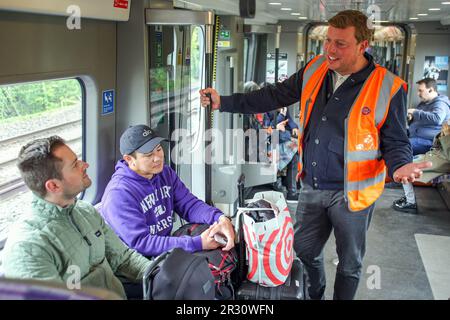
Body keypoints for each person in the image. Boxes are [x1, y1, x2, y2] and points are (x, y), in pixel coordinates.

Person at [200, 10, 432, 300]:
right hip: (312, 185)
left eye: (340, 44)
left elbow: (396, 140)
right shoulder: (315, 69)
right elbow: (273, 95)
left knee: (350, 264)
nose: (330, 50)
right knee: (305, 253)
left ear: (363, 46)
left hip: (353, 196)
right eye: (328, 41)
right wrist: (225, 102)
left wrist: (400, 166)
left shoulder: (388, 87)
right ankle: (315, 296)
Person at [2, 136, 151, 300]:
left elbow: (124, 259)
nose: (85, 165)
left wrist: (159, 275)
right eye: (75, 165)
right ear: (54, 186)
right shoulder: (29, 248)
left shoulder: (85, 211)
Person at [99, 125, 235, 258]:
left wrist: (220, 218)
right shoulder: (119, 193)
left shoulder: (164, 173)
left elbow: (189, 205)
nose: (157, 158)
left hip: (163, 251)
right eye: (148, 155)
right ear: (129, 159)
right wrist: (197, 243)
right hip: (138, 264)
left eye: (158, 149)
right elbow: (141, 243)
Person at [393, 122, 450, 213]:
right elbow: (435, 145)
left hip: (440, 162)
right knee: (406, 163)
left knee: (406, 168)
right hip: (433, 156)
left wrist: (447, 137)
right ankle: (408, 196)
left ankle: (410, 202)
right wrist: (442, 134)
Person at [407, 78, 450, 155]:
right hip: (414, 136)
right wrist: (412, 116)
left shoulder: (440, 103)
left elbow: (437, 118)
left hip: (429, 142)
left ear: (430, 90)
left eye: (421, 91)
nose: (418, 94)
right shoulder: (424, 102)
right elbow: (421, 116)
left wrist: (414, 112)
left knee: (401, 147)